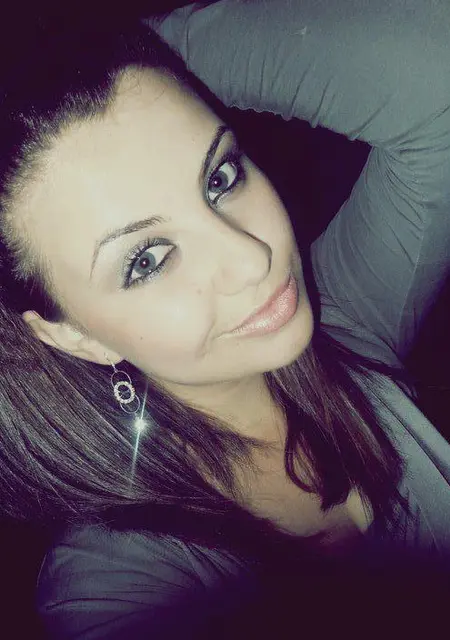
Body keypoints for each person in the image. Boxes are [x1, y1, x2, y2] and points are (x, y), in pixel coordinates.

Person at [0, 0, 449, 637]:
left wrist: (149, 59)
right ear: (72, 334)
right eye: (147, 260)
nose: (252, 258)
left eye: (220, 177)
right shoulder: (119, 587)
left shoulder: (347, 333)